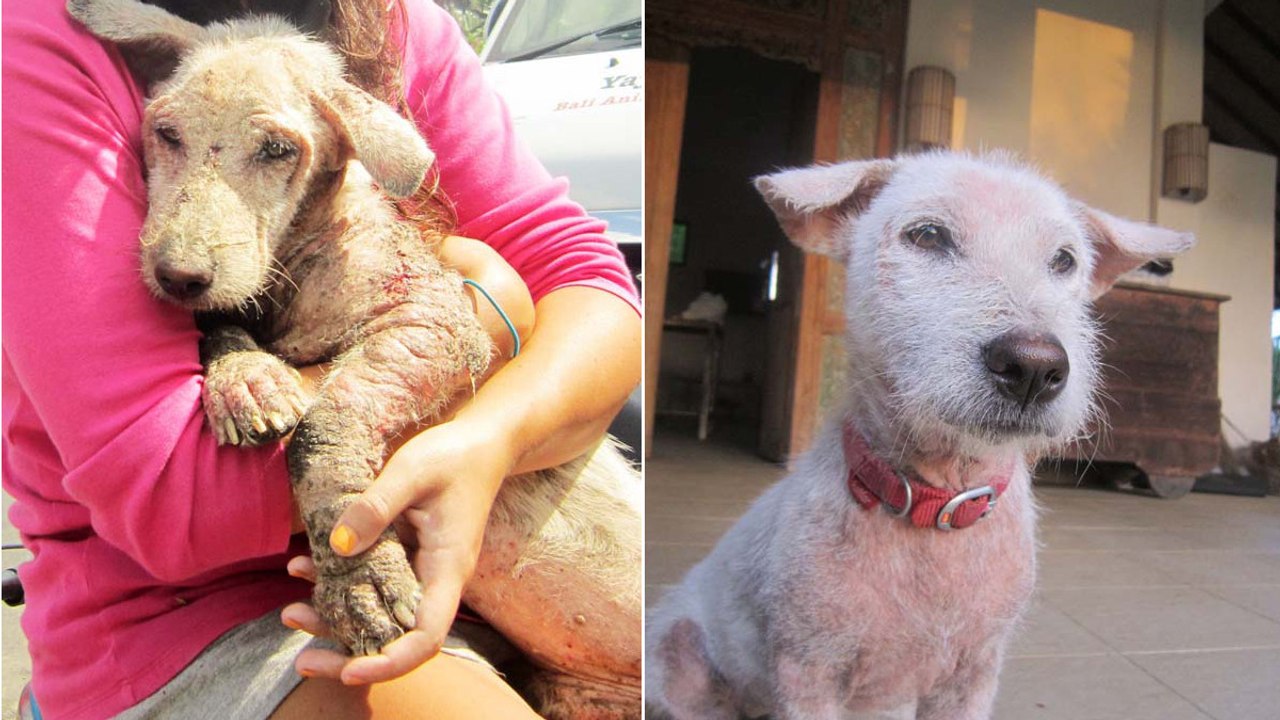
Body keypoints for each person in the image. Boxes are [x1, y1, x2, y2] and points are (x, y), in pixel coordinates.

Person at [1, 0, 642, 718]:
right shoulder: (46, 41)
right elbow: (170, 496)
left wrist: (488, 438)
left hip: (514, 598)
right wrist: (495, 322)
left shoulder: (394, 23)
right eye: (168, 138)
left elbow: (585, 284)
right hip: (196, 608)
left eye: (276, 148)